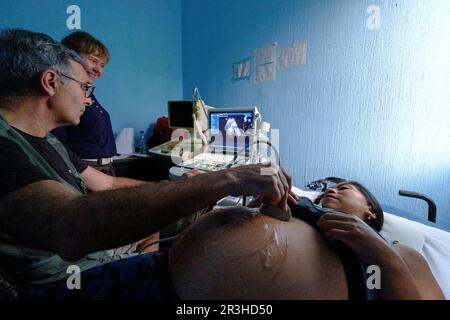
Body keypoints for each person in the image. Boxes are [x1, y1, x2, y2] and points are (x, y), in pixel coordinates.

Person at [0, 28, 292, 299]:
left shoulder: (49, 141)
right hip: (64, 282)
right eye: (84, 88)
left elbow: (109, 183)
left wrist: (188, 188)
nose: (87, 98)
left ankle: (145, 263)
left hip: (88, 260)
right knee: (212, 264)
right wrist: (226, 179)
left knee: (205, 228)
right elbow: (69, 225)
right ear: (50, 82)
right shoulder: (5, 146)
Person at [169, 181, 445, 300]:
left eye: (344, 188)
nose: (331, 189)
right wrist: (262, 211)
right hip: (168, 276)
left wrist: (383, 257)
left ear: (370, 210)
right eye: (328, 189)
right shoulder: (302, 208)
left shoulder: (401, 254)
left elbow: (378, 281)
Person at [51, 31, 116, 176]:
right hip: (86, 169)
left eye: (102, 65)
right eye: (93, 60)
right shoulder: (63, 93)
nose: (99, 70)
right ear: (71, 57)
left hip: (105, 168)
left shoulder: (88, 92)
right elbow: (56, 142)